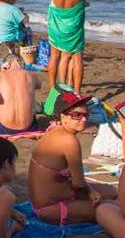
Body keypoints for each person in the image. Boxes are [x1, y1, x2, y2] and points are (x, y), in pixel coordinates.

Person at [28, 92, 100, 225]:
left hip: (44, 202)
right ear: (63, 116)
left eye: (86, 115)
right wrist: (91, 192)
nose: (83, 119)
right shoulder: (69, 141)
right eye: (77, 115)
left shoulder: (53, 129)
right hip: (50, 209)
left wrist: (91, 191)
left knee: (110, 192)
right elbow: (78, 184)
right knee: (108, 208)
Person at [47, 0, 91, 95]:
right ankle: (77, 91)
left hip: (56, 19)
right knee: (77, 56)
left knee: (54, 54)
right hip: (73, 22)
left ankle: (53, 89)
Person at [0, 57, 39, 134]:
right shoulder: (31, 75)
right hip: (29, 127)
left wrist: (0, 69)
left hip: (3, 128)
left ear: (6, 64)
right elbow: (38, 86)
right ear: (21, 64)